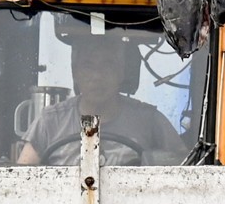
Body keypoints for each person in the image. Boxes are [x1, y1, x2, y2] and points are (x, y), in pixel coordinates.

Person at [17, 35, 184, 165]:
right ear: (75, 73)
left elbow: (186, 168)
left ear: (121, 72)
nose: (97, 76)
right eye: (88, 66)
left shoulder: (150, 121)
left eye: (108, 65)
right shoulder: (50, 121)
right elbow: (22, 180)